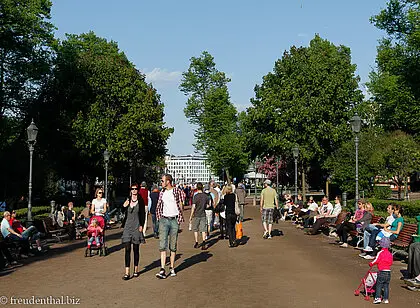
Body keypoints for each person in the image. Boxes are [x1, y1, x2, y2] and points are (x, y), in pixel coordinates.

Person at [155, 174, 184, 279]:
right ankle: (162, 268)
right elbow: (159, 205)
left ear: (168, 181)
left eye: (162, 181)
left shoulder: (177, 191)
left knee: (173, 245)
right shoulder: (162, 192)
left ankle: (172, 267)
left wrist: (179, 215)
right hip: (164, 219)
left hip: (174, 220)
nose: (161, 183)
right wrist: (159, 217)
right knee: (162, 244)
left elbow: (181, 203)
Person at [121, 183, 145, 280]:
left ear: (138, 190)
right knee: (127, 249)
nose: (134, 190)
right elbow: (122, 211)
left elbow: (143, 214)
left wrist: (141, 225)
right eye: (132, 189)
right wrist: (124, 206)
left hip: (136, 226)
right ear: (130, 190)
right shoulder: (127, 200)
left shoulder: (141, 201)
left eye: (136, 189)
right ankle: (127, 272)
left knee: (136, 249)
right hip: (127, 227)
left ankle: (136, 269)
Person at [370, 237, 393, 304]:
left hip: (382, 271)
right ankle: (385, 299)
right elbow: (391, 262)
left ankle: (377, 297)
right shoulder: (390, 254)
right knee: (386, 286)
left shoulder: (380, 252)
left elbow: (376, 260)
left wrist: (371, 263)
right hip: (388, 272)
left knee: (379, 285)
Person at [189, 182, 208, 250]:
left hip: (196, 214)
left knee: (195, 229)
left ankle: (196, 242)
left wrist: (191, 216)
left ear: (197, 188)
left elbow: (193, 207)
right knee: (203, 229)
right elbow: (208, 205)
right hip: (203, 214)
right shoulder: (205, 196)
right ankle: (203, 242)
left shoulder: (195, 196)